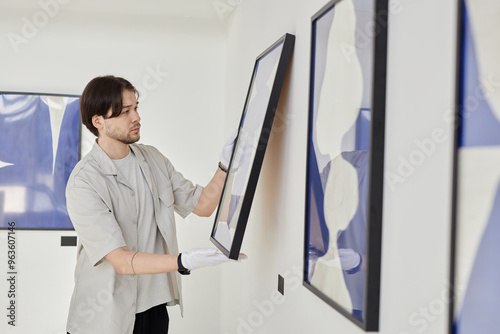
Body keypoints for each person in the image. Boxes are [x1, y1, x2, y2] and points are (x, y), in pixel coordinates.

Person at [65, 75, 243, 334]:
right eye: (125, 112)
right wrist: (183, 261)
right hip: (105, 318)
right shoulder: (84, 182)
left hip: (154, 309)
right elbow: (123, 261)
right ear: (98, 121)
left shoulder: (153, 159)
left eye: (136, 108)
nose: (136, 117)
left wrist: (226, 165)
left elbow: (203, 205)